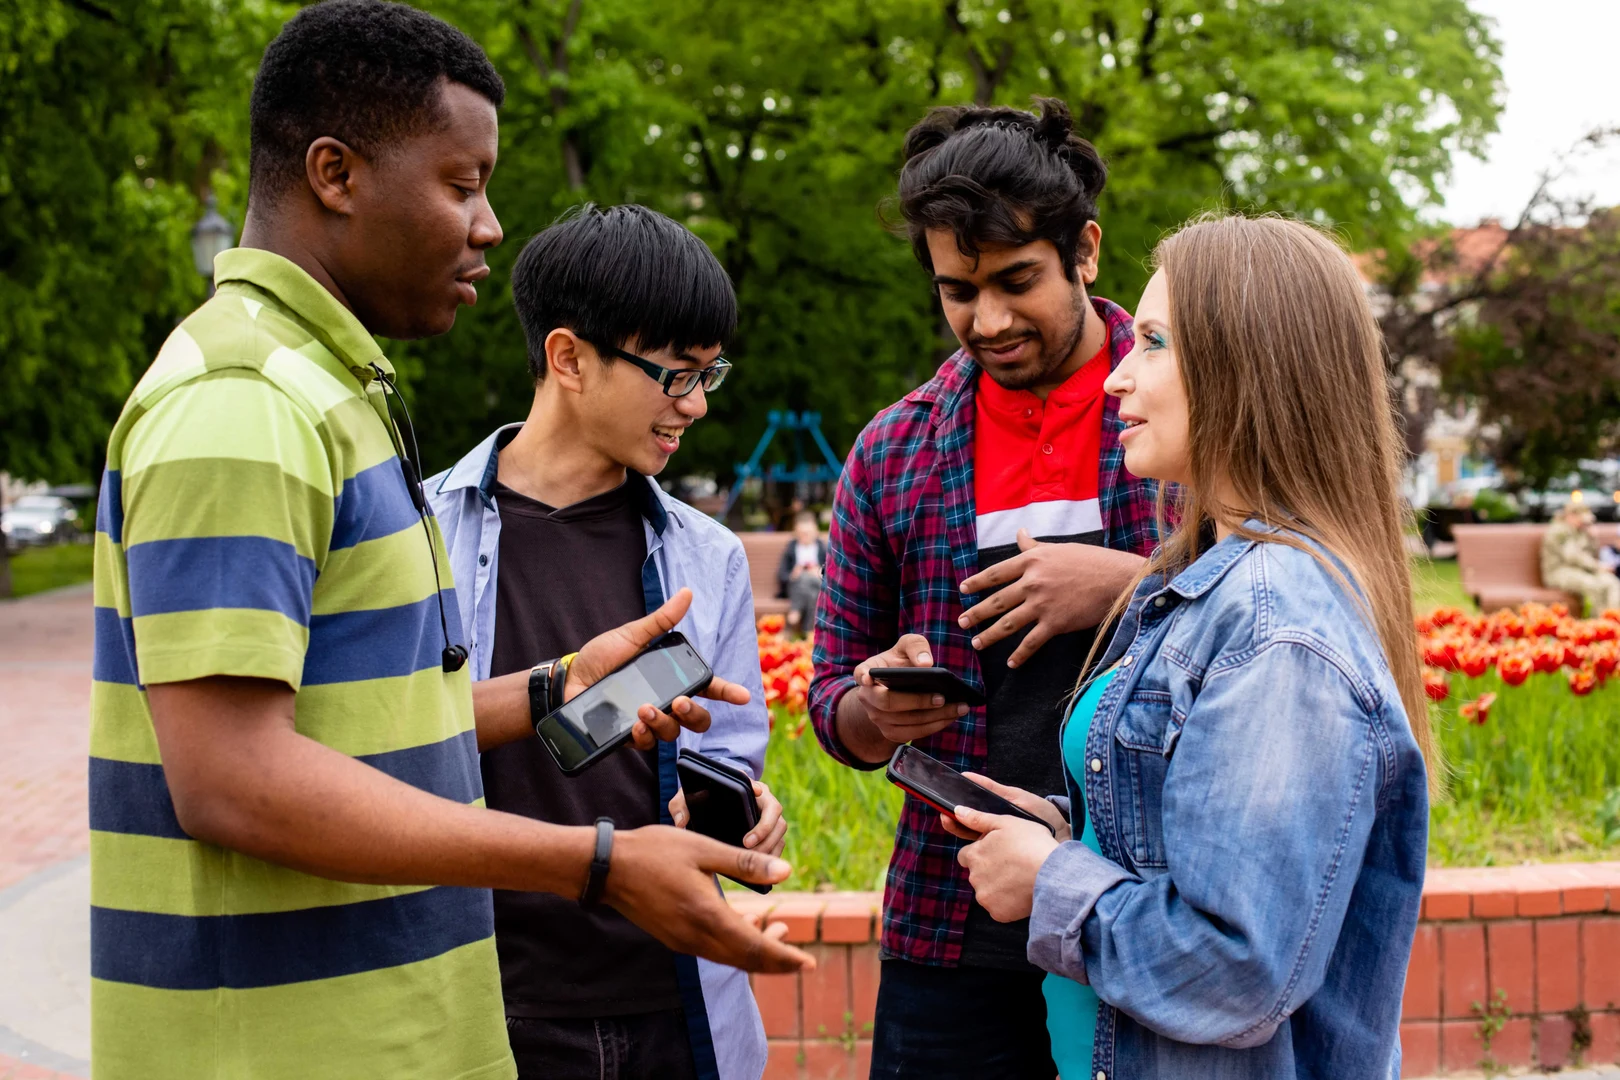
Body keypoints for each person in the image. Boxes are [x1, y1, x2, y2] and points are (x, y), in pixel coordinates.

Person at [88, 5, 806, 1078]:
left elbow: (359, 730)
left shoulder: (326, 396)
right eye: (462, 185)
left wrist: (556, 691)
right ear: (336, 173)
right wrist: (598, 862)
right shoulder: (248, 400)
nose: (488, 226)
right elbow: (234, 779)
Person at [946, 215, 1435, 1079]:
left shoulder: (1274, 625)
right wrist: (1069, 838)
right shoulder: (1209, 583)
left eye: (1154, 343)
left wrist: (1052, 882)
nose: (1117, 379)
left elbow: (1236, 969)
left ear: (1249, 368)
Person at [808, 98, 1159, 1078]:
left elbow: (1295, 589)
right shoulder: (893, 449)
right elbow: (833, 703)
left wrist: (1132, 586)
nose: (989, 321)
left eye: (1017, 282)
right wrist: (876, 710)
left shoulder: (1192, 411)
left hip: (1148, 908)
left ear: (1085, 249)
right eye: (958, 291)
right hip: (950, 922)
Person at [428, 204, 786, 1080]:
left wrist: (737, 804)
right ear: (568, 358)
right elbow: (381, 746)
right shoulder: (422, 533)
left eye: (710, 374)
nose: (696, 405)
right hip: (489, 1006)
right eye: (675, 375)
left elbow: (730, 756)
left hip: (675, 1007)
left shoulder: (709, 557)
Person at [1541, 502, 1620, 614]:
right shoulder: (1559, 531)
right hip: (1559, 571)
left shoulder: (1581, 530)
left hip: (1582, 570)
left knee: (1612, 583)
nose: (1584, 522)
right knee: (1593, 586)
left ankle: (1614, 619)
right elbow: (1572, 557)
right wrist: (1597, 566)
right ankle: (1598, 624)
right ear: (1571, 516)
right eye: (1581, 519)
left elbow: (1590, 554)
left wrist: (1592, 538)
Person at [776, 509, 827, 637]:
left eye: (808, 533)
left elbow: (831, 576)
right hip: (795, 587)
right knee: (804, 580)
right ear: (796, 532)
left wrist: (819, 572)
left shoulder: (822, 548)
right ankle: (809, 630)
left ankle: (795, 611)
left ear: (816, 531)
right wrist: (793, 574)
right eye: (802, 533)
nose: (805, 536)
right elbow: (781, 575)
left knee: (811, 581)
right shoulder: (790, 549)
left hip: (816, 584)